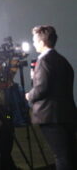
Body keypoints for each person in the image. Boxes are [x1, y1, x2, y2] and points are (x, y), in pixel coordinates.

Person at [25, 25, 77, 170]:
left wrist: (29, 95)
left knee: (60, 156)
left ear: (42, 42)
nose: (33, 43)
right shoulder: (62, 60)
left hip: (50, 116)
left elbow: (42, 88)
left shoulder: (43, 61)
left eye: (34, 40)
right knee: (70, 155)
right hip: (68, 114)